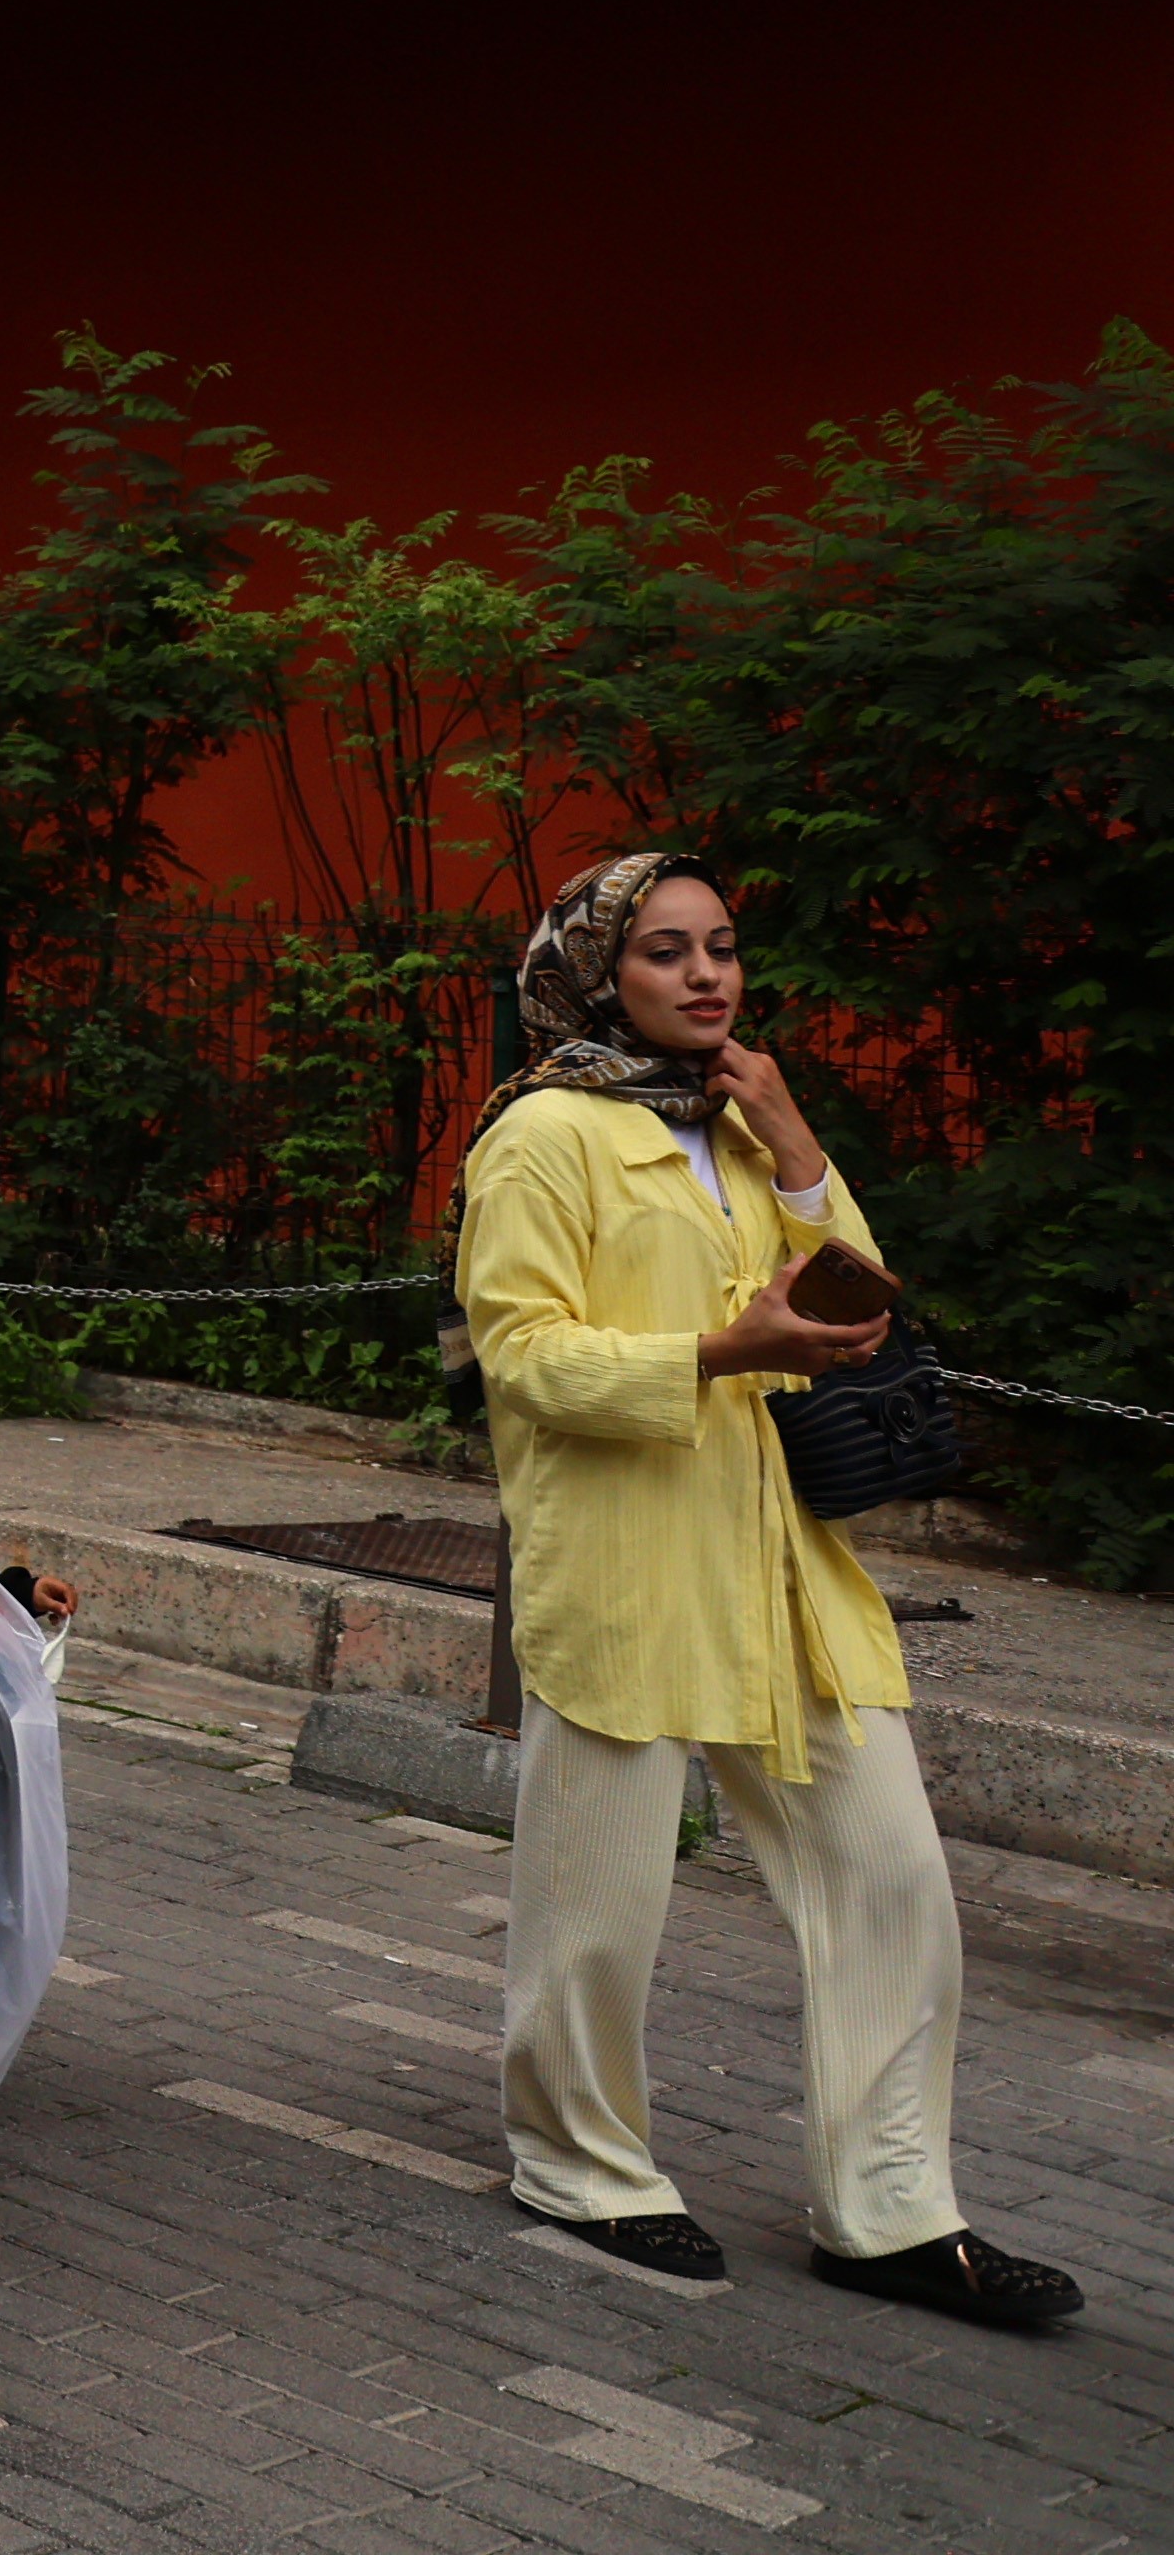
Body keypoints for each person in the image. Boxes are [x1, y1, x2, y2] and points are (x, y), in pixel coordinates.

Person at [463, 853, 1078, 2327]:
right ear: (595, 974)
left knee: (891, 1881)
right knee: (599, 1906)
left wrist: (796, 1142)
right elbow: (521, 1357)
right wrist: (718, 1354)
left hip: (786, 1560)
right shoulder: (543, 1134)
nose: (706, 975)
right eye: (666, 951)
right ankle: (581, 2165)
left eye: (724, 947)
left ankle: (890, 2213)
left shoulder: (738, 1123)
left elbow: (855, 1292)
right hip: (629, 1558)